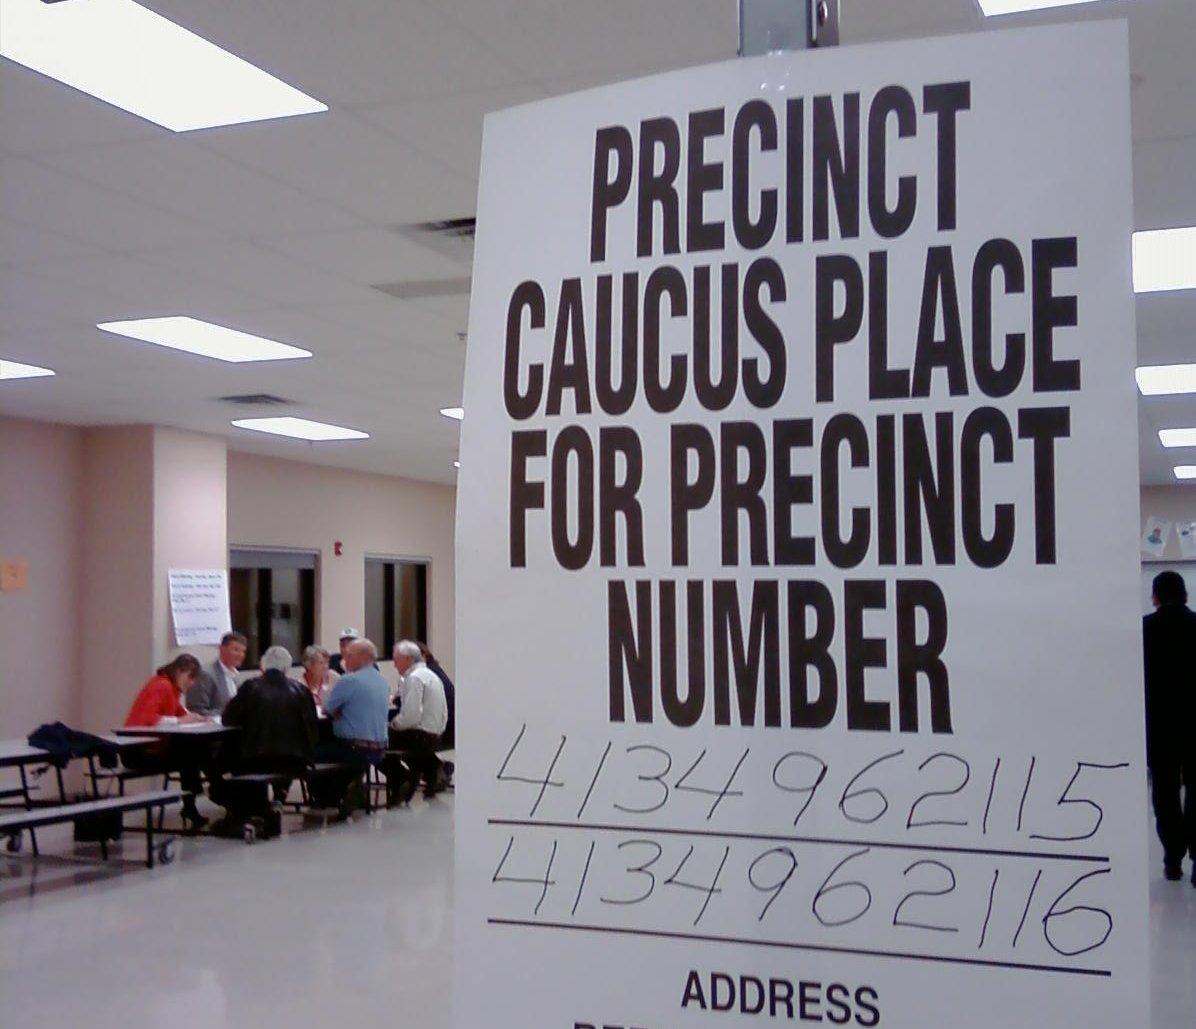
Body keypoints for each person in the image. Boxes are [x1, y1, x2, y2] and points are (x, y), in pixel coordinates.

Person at [219, 646, 319, 831]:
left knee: (223, 761)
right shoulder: (301, 690)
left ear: (262, 666)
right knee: (279, 762)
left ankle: (250, 810)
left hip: (256, 758)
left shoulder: (251, 687)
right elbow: (313, 725)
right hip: (295, 759)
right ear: (287, 668)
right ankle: (277, 800)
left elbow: (228, 719)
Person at [1143, 570, 1196, 884]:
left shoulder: (1144, 630)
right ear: (1185, 594)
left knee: (1164, 792)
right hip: (1195, 724)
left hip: (1159, 726)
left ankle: (1173, 858)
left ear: (1155, 597)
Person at [123, 653, 212, 829]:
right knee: (189, 752)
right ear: (179, 671)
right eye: (190, 677)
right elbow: (148, 720)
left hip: (150, 749)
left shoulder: (171, 688)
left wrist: (197, 718)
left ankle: (192, 803)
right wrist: (180, 721)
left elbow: (181, 713)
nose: (192, 683)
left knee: (191, 751)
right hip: (137, 752)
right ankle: (194, 802)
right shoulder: (161, 686)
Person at [313, 638, 390, 815]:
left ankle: (329, 798)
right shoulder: (382, 681)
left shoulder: (349, 680)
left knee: (312, 755)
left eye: (348, 656)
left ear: (363, 657)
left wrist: (338, 711)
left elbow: (327, 708)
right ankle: (350, 787)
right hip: (379, 749)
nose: (344, 660)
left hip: (353, 748)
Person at [390, 640, 449, 799]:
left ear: (408, 659)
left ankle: (403, 778)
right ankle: (431, 769)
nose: (394, 665)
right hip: (436, 733)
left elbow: (410, 716)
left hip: (420, 736)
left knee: (376, 741)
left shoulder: (414, 678)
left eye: (396, 660)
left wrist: (393, 723)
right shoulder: (431, 675)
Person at [186, 631, 248, 718]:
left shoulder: (237, 677)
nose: (240, 655)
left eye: (243, 651)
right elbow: (197, 710)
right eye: (236, 650)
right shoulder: (205, 674)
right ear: (222, 649)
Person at [418, 641, 455, 751]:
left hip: (442, 730)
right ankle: (438, 766)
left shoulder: (425, 673)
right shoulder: (435, 669)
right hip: (451, 726)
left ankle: (436, 766)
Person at [298, 644, 339, 710]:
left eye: (327, 662)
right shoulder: (300, 684)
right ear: (309, 665)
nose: (325, 666)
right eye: (321, 663)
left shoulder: (333, 677)